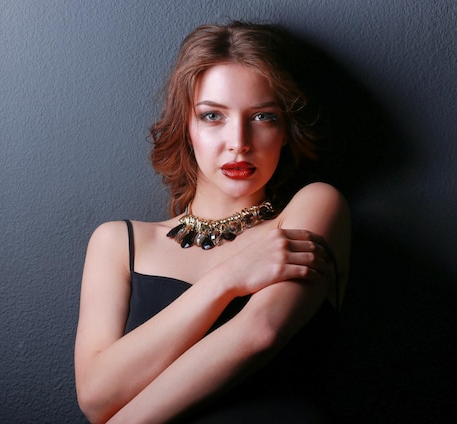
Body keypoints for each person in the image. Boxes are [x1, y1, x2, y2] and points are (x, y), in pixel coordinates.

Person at [75, 21, 350, 423]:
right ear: (186, 126)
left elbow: (261, 331)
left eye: (263, 117)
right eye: (212, 116)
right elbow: (97, 398)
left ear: (287, 131)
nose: (238, 140)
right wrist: (228, 279)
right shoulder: (118, 242)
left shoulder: (315, 206)